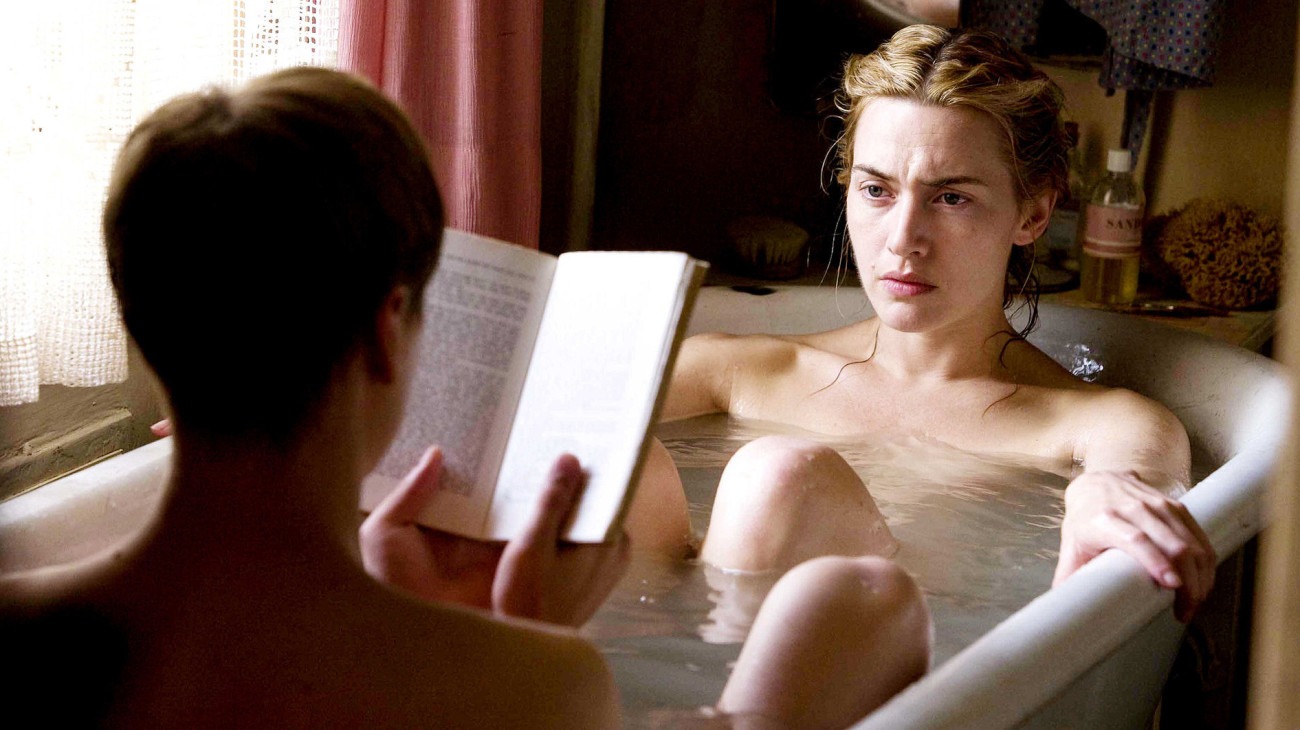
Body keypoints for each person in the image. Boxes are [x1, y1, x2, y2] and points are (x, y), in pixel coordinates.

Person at [0, 66, 928, 729]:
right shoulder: (528, 684)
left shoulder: (21, 632)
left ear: (139, 319)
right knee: (859, 599)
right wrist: (515, 640)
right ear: (388, 330)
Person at [643, 24, 1215, 623]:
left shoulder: (1099, 426)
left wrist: (1106, 491)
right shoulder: (728, 373)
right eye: (876, 190)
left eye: (951, 198)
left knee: (779, 477)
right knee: (634, 464)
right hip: (657, 641)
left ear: (1033, 213)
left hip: (919, 666)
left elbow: (1137, 475)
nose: (903, 240)